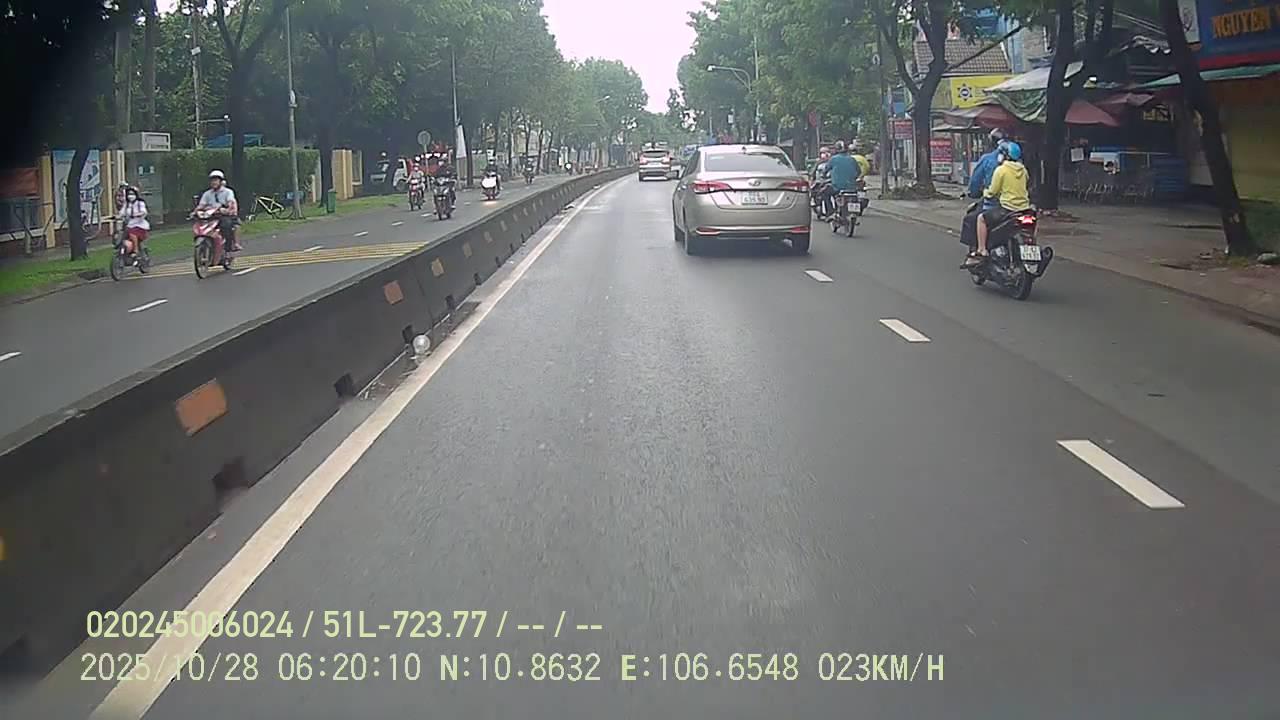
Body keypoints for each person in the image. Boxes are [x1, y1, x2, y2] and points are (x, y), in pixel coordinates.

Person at [966, 140, 1031, 267]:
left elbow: (993, 191)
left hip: (1007, 209)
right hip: (1024, 209)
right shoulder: (1023, 170)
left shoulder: (1001, 170)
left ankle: (982, 249)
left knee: (981, 219)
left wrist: (985, 192)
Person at [960, 128, 1007, 248]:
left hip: (996, 204)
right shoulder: (1019, 164)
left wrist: (976, 192)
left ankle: (980, 250)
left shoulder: (989, 161)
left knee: (972, 219)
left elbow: (977, 183)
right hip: (1020, 205)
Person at [196, 170, 240, 251]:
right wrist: (196, 211)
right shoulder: (207, 194)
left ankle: (228, 245)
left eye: (216, 180)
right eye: (212, 180)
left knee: (226, 225)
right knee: (200, 224)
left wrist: (227, 209)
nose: (214, 182)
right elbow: (201, 205)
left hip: (223, 216)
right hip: (210, 217)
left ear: (221, 181)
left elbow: (230, 203)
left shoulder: (228, 192)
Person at [117, 185, 149, 255]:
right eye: (129, 194)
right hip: (129, 225)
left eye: (132, 194)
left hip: (140, 225)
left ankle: (135, 250)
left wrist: (137, 214)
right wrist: (118, 216)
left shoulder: (140, 203)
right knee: (121, 234)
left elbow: (144, 212)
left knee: (132, 233)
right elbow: (122, 212)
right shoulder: (127, 204)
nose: (130, 196)